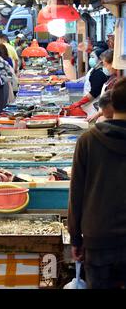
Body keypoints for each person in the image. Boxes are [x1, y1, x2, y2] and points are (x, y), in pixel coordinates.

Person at [68, 77, 126, 289]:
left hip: (97, 236)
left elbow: (76, 194)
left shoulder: (88, 140)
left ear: (111, 105)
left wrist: (75, 238)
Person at [67, 47, 108, 117]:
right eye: (90, 57)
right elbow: (87, 78)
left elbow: (94, 93)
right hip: (88, 104)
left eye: (92, 57)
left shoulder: (99, 74)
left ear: (100, 60)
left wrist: (79, 103)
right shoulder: (94, 69)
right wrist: (76, 81)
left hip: (94, 106)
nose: (90, 59)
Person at [87, 50, 119, 122]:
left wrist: (100, 114)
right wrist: (99, 114)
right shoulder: (112, 78)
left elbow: (114, 104)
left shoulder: (118, 81)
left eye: (105, 65)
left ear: (113, 64)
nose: (105, 67)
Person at [0, 45, 15, 118]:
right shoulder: (5, 61)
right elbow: (11, 74)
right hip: (5, 84)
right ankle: (4, 118)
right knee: (4, 104)